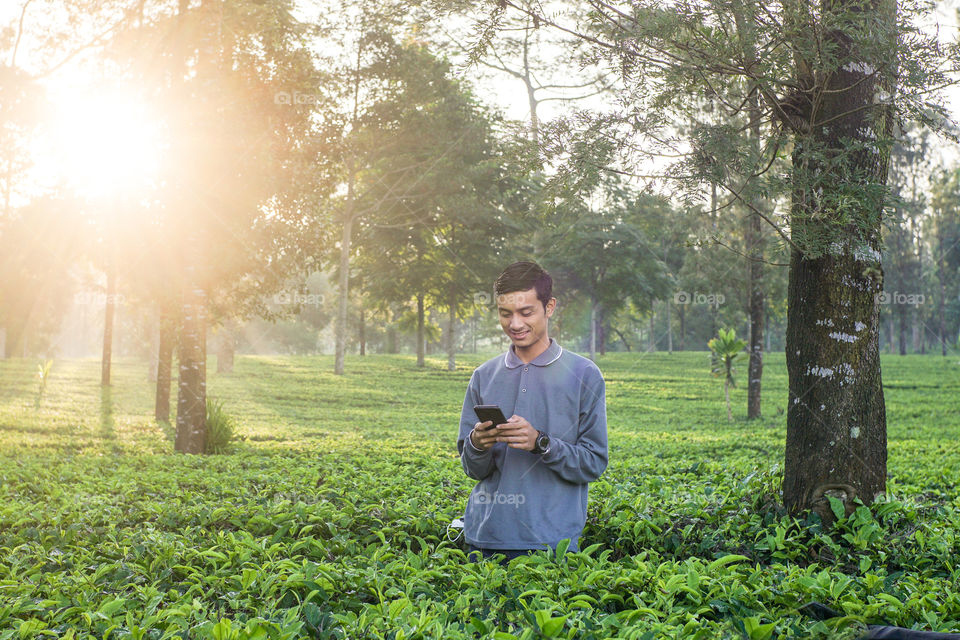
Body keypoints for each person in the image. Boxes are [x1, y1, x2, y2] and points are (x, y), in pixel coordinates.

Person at [457, 261, 608, 563]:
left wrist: (541, 442)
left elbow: (593, 463)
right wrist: (477, 444)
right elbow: (473, 469)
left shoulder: (584, 374)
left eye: (526, 313)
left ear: (549, 307)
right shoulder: (483, 376)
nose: (515, 324)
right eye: (505, 313)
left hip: (551, 546)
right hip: (484, 539)